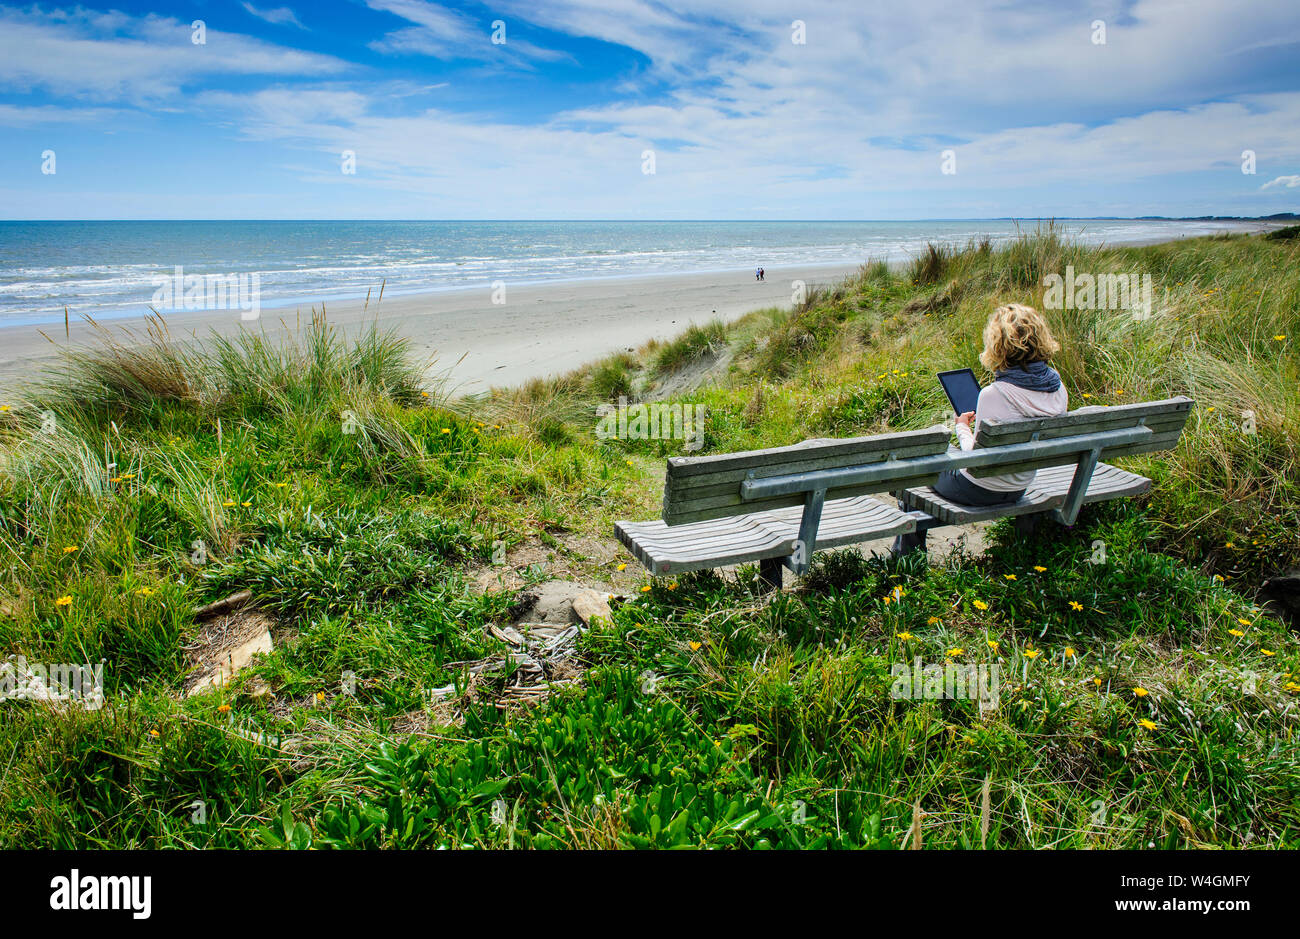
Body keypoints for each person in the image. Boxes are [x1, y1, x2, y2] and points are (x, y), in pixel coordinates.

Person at [893, 302, 1068, 553]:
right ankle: (1024, 548)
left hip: (978, 489)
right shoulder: (1058, 389)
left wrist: (962, 427)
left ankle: (906, 557)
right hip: (1019, 488)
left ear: (998, 345)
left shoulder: (994, 394)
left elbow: (975, 460)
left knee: (918, 466)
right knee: (944, 456)